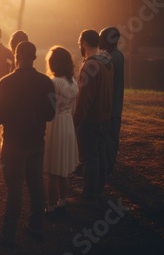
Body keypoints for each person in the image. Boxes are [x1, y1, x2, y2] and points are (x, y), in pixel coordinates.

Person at [0, 41, 55, 247]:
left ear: (16, 56)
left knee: (14, 190)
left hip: (13, 144)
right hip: (36, 142)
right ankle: (37, 228)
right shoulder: (46, 82)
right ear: (34, 58)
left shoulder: (5, 83)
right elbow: (51, 114)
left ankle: (8, 235)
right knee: (36, 186)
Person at [69, 29, 113, 206]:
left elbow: (85, 98)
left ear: (85, 43)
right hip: (105, 117)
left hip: (91, 119)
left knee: (90, 157)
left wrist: (77, 119)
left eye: (80, 42)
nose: (79, 45)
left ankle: (90, 193)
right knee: (100, 154)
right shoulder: (108, 61)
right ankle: (99, 189)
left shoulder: (90, 65)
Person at [43, 46, 79, 220]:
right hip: (67, 124)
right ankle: (62, 203)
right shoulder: (73, 82)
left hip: (55, 124)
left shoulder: (54, 82)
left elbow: (48, 106)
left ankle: (50, 207)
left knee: (52, 170)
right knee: (63, 168)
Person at [99, 27, 124, 175]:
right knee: (112, 134)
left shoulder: (110, 58)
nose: (99, 40)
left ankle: (107, 168)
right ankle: (109, 166)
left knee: (109, 136)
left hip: (110, 105)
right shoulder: (118, 55)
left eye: (102, 37)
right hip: (115, 104)